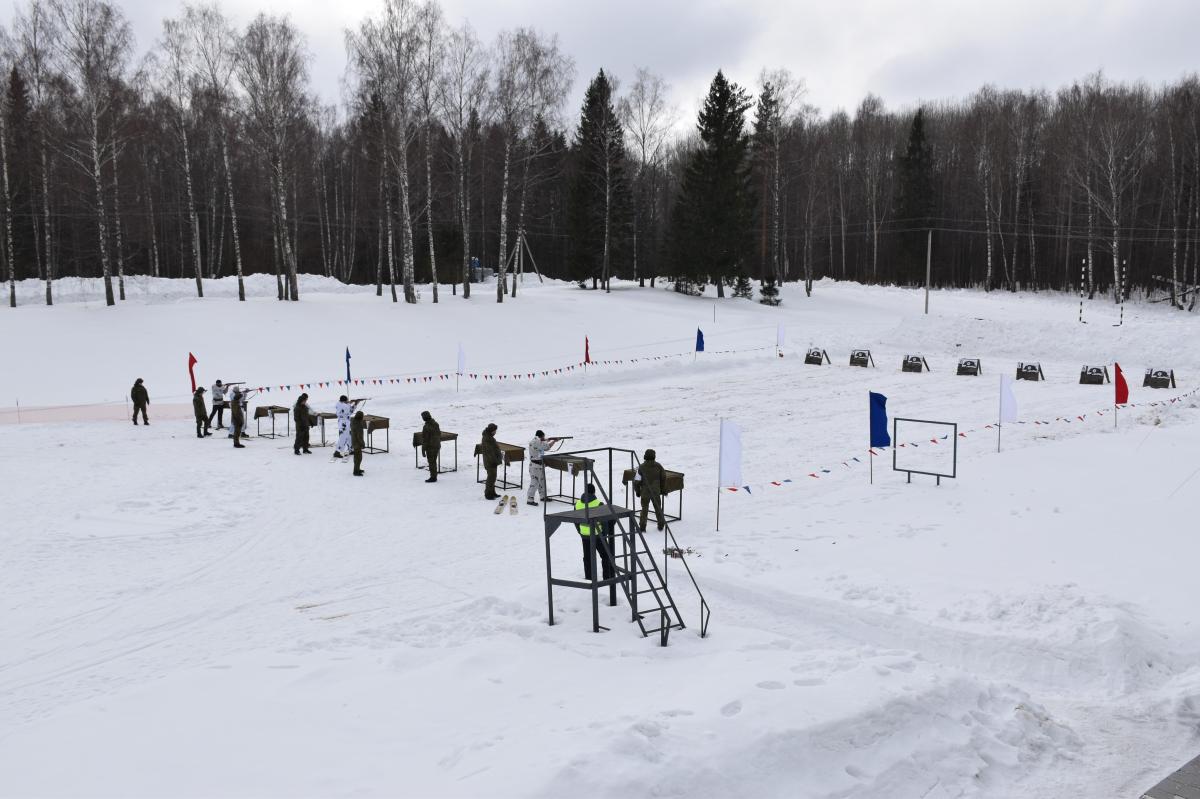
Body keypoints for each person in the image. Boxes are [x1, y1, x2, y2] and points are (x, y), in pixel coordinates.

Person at [575, 483, 615, 582]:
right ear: (593, 492)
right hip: (597, 535)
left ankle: (589, 579)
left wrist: (580, 531)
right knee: (606, 555)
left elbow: (575, 520)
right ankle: (608, 578)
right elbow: (605, 522)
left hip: (585, 535)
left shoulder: (578, 504)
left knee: (588, 558)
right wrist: (604, 534)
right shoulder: (598, 504)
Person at [526, 430, 563, 506]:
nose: (544, 438)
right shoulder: (536, 442)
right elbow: (547, 447)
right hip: (535, 466)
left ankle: (543, 496)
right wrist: (554, 441)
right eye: (543, 436)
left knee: (542, 482)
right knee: (535, 482)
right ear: (541, 436)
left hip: (539, 465)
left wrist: (549, 440)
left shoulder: (537, 441)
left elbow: (543, 444)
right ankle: (530, 499)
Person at [636, 448, 667, 532]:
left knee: (644, 509)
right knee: (658, 508)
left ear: (645, 456)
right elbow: (663, 478)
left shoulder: (641, 467)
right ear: (654, 456)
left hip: (645, 491)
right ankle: (661, 524)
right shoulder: (658, 466)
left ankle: (642, 526)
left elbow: (637, 480)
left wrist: (637, 490)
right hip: (656, 491)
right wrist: (663, 489)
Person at [481, 422, 502, 500]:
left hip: (492, 461)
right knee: (491, 477)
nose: (495, 432)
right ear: (491, 430)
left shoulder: (489, 437)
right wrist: (494, 461)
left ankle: (492, 492)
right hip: (490, 461)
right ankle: (488, 494)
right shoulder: (487, 438)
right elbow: (490, 452)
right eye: (495, 431)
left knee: (493, 477)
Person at [421, 410, 441, 482]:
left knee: (431, 462)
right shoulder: (436, 424)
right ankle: (434, 476)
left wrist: (423, 449)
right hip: (437, 445)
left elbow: (425, 439)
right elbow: (439, 434)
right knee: (433, 461)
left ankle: (433, 477)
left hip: (430, 447)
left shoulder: (426, 427)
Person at [351, 410, 366, 476]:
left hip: (354, 441)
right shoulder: (358, 425)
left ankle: (357, 469)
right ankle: (356, 471)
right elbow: (359, 436)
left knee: (357, 457)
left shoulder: (353, 421)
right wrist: (362, 444)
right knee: (358, 458)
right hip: (357, 443)